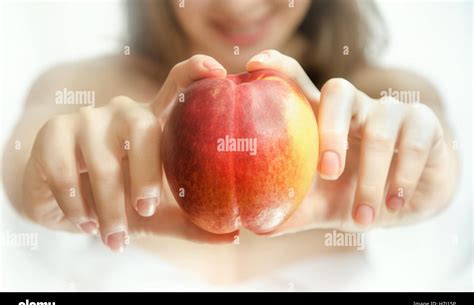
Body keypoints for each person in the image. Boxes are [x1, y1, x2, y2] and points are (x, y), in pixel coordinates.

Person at [2, 0, 458, 284]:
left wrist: (432, 184)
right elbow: (24, 167)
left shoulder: (389, 103)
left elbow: (444, 159)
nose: (239, 5)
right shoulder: (76, 90)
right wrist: (43, 185)